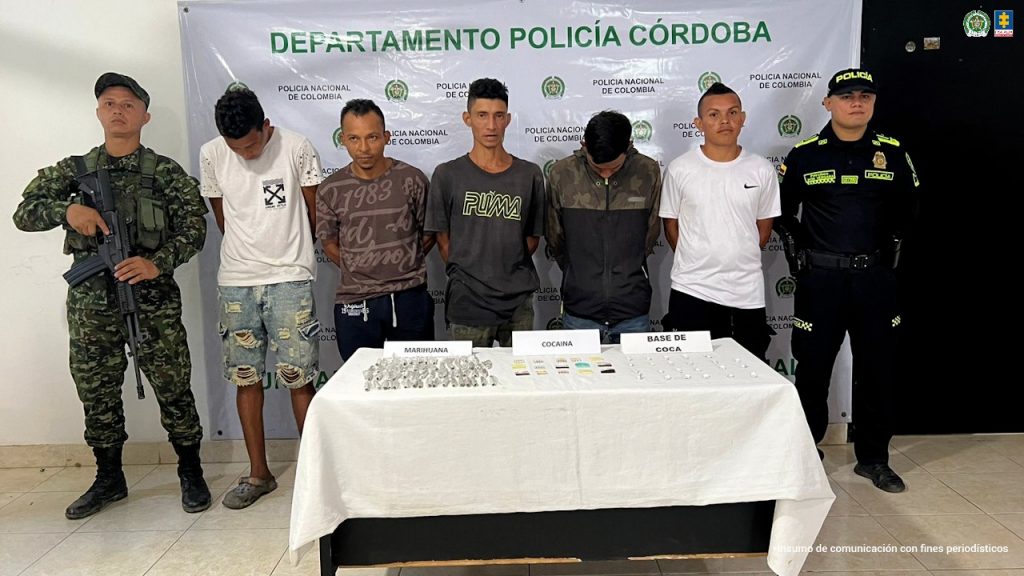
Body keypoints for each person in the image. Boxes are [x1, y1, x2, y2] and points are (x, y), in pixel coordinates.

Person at [13, 72, 211, 518]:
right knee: (97, 390)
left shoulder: (164, 172)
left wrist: (156, 263)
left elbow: (194, 230)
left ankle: (190, 470)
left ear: (145, 115)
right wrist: (68, 210)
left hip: (152, 298)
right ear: (98, 112)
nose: (118, 110)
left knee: (173, 385)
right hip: (91, 305)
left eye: (127, 103)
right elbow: (23, 213)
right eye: (109, 102)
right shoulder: (74, 171)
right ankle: (108, 478)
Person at [776, 68, 919, 493]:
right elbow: (782, 213)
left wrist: (891, 245)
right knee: (813, 371)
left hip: (875, 280)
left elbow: (909, 207)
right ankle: (806, 455)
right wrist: (798, 252)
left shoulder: (892, 152)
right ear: (828, 103)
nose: (856, 102)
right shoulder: (804, 154)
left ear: (873, 103)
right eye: (846, 96)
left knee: (877, 371)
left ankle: (874, 459)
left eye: (865, 96)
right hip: (821, 281)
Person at [199, 86, 324, 508]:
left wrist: (289, 256)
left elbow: (314, 211)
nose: (247, 154)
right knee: (246, 379)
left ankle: (315, 474)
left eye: (252, 144)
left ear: (266, 126)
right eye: (238, 148)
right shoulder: (212, 154)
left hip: (290, 278)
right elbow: (222, 217)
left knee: (299, 378)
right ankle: (259, 473)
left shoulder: (297, 148)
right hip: (236, 281)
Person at [660, 82, 780, 360]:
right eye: (713, 115)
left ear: (743, 118)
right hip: (692, 290)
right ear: (698, 123)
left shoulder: (761, 169)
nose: (724, 121)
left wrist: (738, 255)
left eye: (732, 112)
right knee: (691, 376)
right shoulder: (680, 169)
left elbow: (764, 227)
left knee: (749, 377)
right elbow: (671, 227)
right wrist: (698, 258)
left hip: (747, 292)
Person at [425, 78, 544, 347]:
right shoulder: (447, 175)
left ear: (508, 119)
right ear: (467, 118)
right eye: (482, 115)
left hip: (518, 303)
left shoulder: (529, 175)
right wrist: (470, 273)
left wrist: (505, 270)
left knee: (522, 382)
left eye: (498, 116)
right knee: (469, 386)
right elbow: (442, 238)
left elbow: (533, 237)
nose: (491, 126)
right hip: (467, 303)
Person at [316, 99, 434, 360]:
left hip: (409, 298)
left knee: (416, 382)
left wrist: (403, 262)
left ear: (386, 137)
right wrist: (359, 265)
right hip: (354, 302)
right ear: (343, 139)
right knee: (361, 387)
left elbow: (428, 233)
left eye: (372, 137)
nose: (364, 148)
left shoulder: (412, 179)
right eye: (354, 139)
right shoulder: (330, 189)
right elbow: (329, 243)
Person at [546, 111, 662, 343]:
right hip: (580, 309)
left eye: (614, 167)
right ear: (584, 145)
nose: (606, 173)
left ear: (628, 147)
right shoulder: (562, 173)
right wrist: (579, 274)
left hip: (632, 310)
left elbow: (650, 234)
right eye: (598, 168)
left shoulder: (648, 171)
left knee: (637, 377)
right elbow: (555, 236)